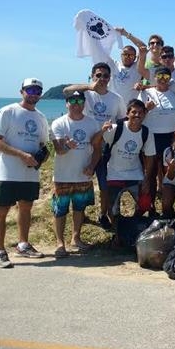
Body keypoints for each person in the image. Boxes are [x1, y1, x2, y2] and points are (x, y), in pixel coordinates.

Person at [0, 78, 50, 268]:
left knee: (26, 208)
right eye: (30, 90)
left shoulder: (40, 117)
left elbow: (43, 145)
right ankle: (0, 251)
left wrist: (40, 157)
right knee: (2, 210)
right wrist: (22, 155)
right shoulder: (8, 111)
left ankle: (23, 244)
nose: (34, 94)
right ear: (21, 91)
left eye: (38, 90)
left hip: (30, 174)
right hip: (7, 172)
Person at [64, 63, 126, 229]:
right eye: (98, 75)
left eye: (105, 76)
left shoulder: (116, 98)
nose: (102, 79)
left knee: (105, 183)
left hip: (106, 147)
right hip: (84, 145)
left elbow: (122, 120)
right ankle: (80, 214)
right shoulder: (86, 95)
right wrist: (89, 87)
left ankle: (103, 214)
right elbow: (67, 91)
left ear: (110, 78)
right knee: (81, 182)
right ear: (92, 76)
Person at [49, 90, 103, 258]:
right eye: (72, 100)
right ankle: (60, 243)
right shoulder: (58, 123)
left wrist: (92, 166)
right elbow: (58, 150)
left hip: (83, 174)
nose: (76, 104)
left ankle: (76, 238)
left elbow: (97, 149)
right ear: (67, 103)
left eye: (80, 100)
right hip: (62, 175)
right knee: (60, 210)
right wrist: (67, 146)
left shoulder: (93, 123)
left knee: (79, 208)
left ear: (84, 103)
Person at [101, 99, 156, 230]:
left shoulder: (146, 133)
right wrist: (102, 131)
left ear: (144, 114)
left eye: (141, 112)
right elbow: (98, 144)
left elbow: (150, 157)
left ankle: (133, 224)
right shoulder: (115, 129)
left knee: (145, 204)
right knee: (113, 207)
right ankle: (117, 231)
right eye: (134, 112)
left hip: (135, 173)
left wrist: (147, 180)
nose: (137, 115)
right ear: (127, 113)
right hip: (114, 174)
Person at [139, 66, 175, 207]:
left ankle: (167, 207)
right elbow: (136, 116)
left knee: (167, 173)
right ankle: (149, 207)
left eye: (166, 77)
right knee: (150, 174)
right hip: (151, 137)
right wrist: (146, 109)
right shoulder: (146, 93)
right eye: (160, 76)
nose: (163, 80)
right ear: (154, 78)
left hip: (168, 137)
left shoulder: (174, 94)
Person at [99, 27, 148, 103]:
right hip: (112, 106)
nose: (128, 57)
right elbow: (100, 49)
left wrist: (126, 34)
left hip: (129, 110)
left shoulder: (137, 67)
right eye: (125, 54)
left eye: (131, 55)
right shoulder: (113, 65)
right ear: (121, 55)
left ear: (135, 57)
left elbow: (143, 47)